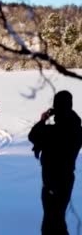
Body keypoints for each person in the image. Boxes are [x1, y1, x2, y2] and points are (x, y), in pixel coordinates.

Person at [29, 90, 82, 235]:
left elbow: (32, 136)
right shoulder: (77, 128)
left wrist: (43, 119)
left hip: (52, 182)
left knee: (51, 223)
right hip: (67, 180)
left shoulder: (52, 131)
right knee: (57, 220)